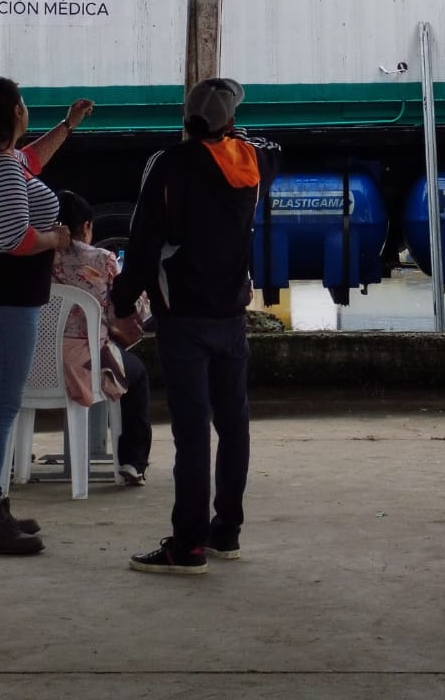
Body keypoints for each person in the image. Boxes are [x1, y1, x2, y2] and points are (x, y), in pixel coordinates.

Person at [112, 78, 280, 576]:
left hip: (183, 318)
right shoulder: (254, 160)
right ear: (230, 123)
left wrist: (122, 301)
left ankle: (187, 546)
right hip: (231, 317)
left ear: (186, 119)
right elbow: (270, 144)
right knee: (233, 426)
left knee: (192, 435)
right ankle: (225, 532)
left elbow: (143, 243)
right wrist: (233, 134)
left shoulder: (168, 165)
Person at [0, 76, 94, 555]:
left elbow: (32, 159)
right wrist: (57, 238)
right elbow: (17, 239)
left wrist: (67, 125)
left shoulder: (2, 160)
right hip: (4, 301)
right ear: (16, 111)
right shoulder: (0, 168)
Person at [51, 189, 153, 487]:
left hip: (32, 364)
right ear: (86, 226)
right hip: (87, 361)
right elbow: (130, 309)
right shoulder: (102, 259)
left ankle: (13, 460)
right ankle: (133, 461)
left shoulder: (33, 260)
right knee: (137, 374)